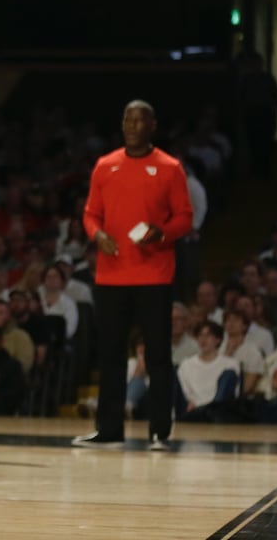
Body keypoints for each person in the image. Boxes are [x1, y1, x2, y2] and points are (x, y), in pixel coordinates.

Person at [73, 100, 193, 450]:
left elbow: (184, 217)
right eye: (128, 118)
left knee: (158, 355)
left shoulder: (169, 167)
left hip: (153, 274)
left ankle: (160, 431)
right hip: (110, 276)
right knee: (110, 354)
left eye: (140, 119)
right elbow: (90, 213)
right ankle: (109, 429)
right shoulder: (105, 165)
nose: (133, 125)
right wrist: (97, 235)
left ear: (152, 125)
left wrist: (162, 232)